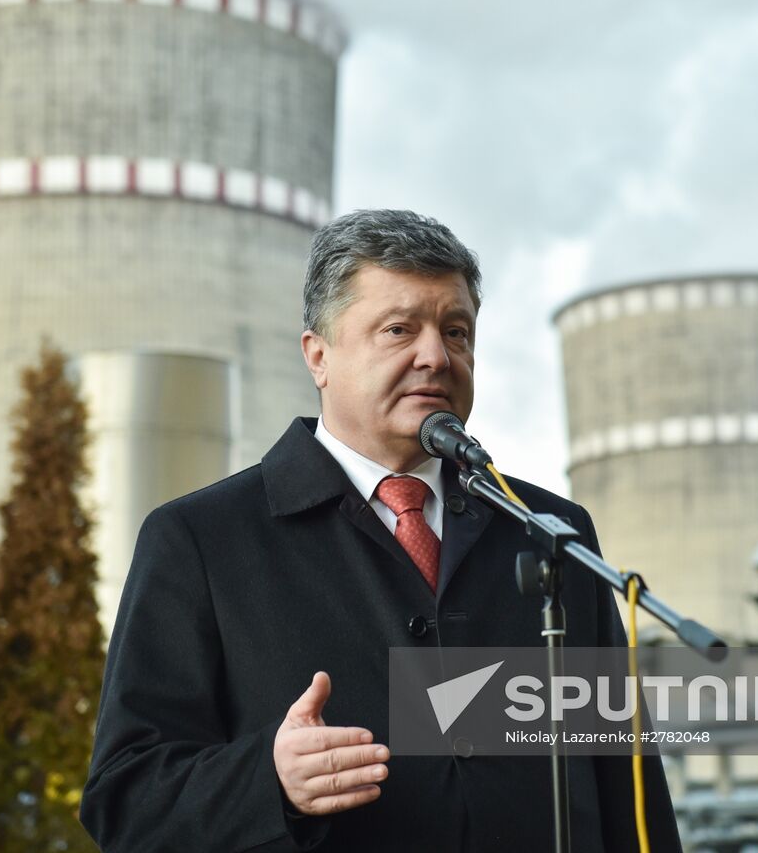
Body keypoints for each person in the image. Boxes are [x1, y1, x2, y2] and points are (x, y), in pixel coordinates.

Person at [80, 209, 681, 852]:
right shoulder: (200, 540)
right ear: (318, 356)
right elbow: (126, 799)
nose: (436, 356)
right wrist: (270, 781)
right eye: (399, 330)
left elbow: (630, 792)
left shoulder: (551, 532)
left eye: (456, 331)